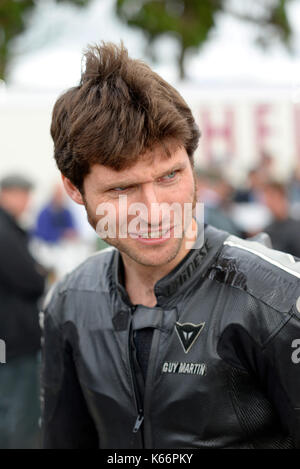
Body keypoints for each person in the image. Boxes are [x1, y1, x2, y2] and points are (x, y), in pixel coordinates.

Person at [41, 42, 300, 449]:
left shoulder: (279, 300)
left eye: (169, 176)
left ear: (192, 166)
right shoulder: (70, 302)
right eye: (122, 188)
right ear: (75, 189)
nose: (155, 211)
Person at [0, 175, 46, 448]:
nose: (28, 202)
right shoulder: (4, 232)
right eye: (24, 194)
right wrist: (39, 275)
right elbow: (32, 281)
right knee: (19, 410)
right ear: (7, 194)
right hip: (13, 338)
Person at [263, 181, 300, 258]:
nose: (269, 202)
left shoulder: (296, 228)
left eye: (272, 197)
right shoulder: (268, 230)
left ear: (283, 198)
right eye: (267, 198)